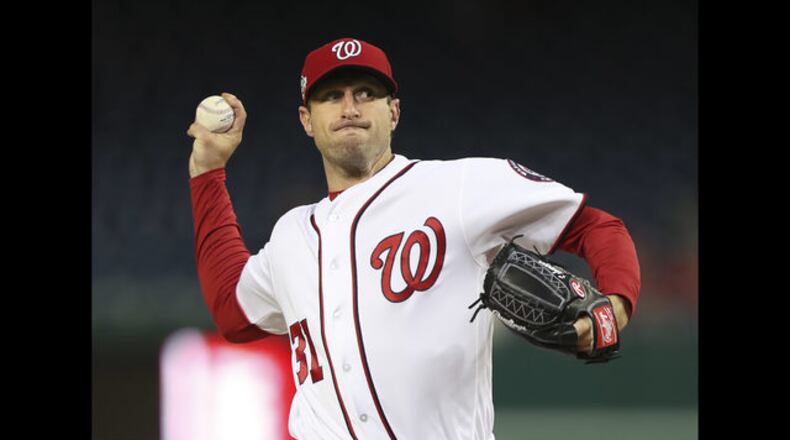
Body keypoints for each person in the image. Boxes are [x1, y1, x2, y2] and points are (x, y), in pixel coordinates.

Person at [187, 37, 640, 440]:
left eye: (366, 93)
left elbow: (596, 227)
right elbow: (232, 309)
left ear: (394, 111)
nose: (350, 108)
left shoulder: (458, 188)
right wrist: (207, 170)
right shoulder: (291, 234)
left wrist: (615, 305)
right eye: (332, 96)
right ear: (307, 119)